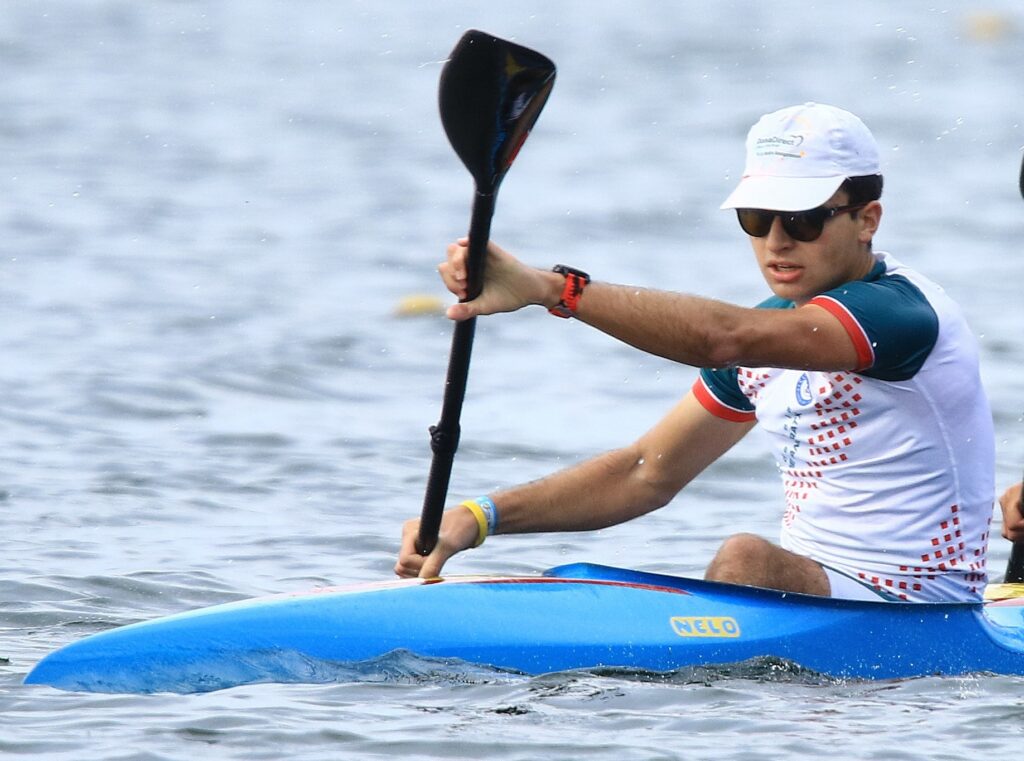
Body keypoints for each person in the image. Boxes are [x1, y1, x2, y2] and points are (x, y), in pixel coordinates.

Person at [395, 103, 996, 603]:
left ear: (867, 220)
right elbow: (645, 473)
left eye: (804, 220)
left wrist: (556, 290)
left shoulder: (898, 315)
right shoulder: (771, 330)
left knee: (745, 558)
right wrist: (480, 516)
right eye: (757, 218)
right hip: (825, 596)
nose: (776, 241)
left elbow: (721, 337)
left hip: (923, 611)